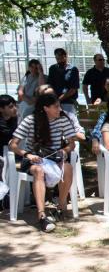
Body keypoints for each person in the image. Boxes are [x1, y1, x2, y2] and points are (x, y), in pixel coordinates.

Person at [9, 92, 77, 232]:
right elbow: (13, 144)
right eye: (56, 107)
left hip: (53, 158)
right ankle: (41, 215)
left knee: (68, 168)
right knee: (38, 171)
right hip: (34, 158)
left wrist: (65, 150)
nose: (60, 109)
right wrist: (27, 154)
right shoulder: (30, 120)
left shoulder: (63, 120)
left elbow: (72, 144)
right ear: (46, 108)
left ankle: (61, 206)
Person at [46, 48, 80, 124]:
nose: (59, 59)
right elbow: (50, 85)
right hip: (54, 102)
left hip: (68, 102)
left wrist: (59, 99)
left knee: (70, 122)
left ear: (65, 56)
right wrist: (54, 99)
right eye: (57, 58)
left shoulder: (73, 70)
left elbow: (73, 89)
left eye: (61, 57)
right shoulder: (52, 69)